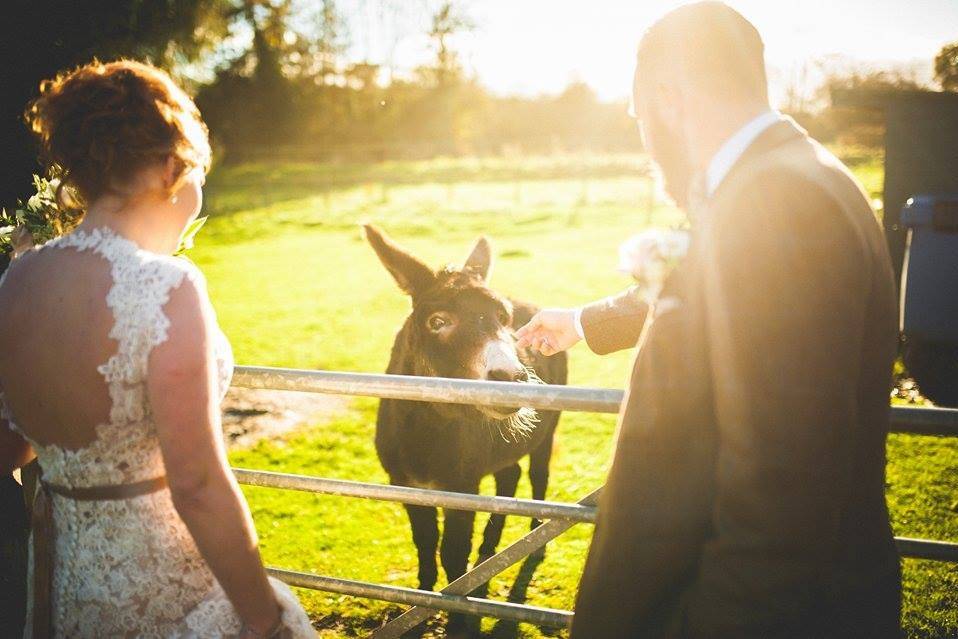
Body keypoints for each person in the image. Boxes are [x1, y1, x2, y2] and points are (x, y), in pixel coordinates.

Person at [517, 3, 902, 637]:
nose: (645, 145)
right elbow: (731, 293)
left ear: (667, 99)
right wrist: (584, 322)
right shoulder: (785, 177)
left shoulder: (780, 201)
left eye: (639, 119)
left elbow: (781, 502)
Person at [0, 60, 314, 638]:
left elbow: (10, 446)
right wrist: (262, 618)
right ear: (172, 166)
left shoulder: (16, 282)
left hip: (69, 592)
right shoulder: (167, 287)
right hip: (170, 590)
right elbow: (195, 483)